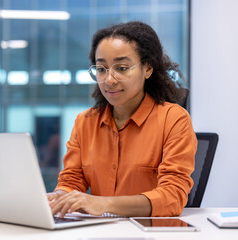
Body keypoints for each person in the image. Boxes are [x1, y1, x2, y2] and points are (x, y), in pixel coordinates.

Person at [48, 21, 197, 218]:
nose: (109, 80)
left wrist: (103, 203)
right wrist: (57, 198)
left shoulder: (174, 119)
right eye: (101, 69)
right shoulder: (85, 122)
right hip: (100, 231)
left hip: (150, 232)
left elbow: (172, 197)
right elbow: (72, 181)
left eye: (122, 68)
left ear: (147, 68)